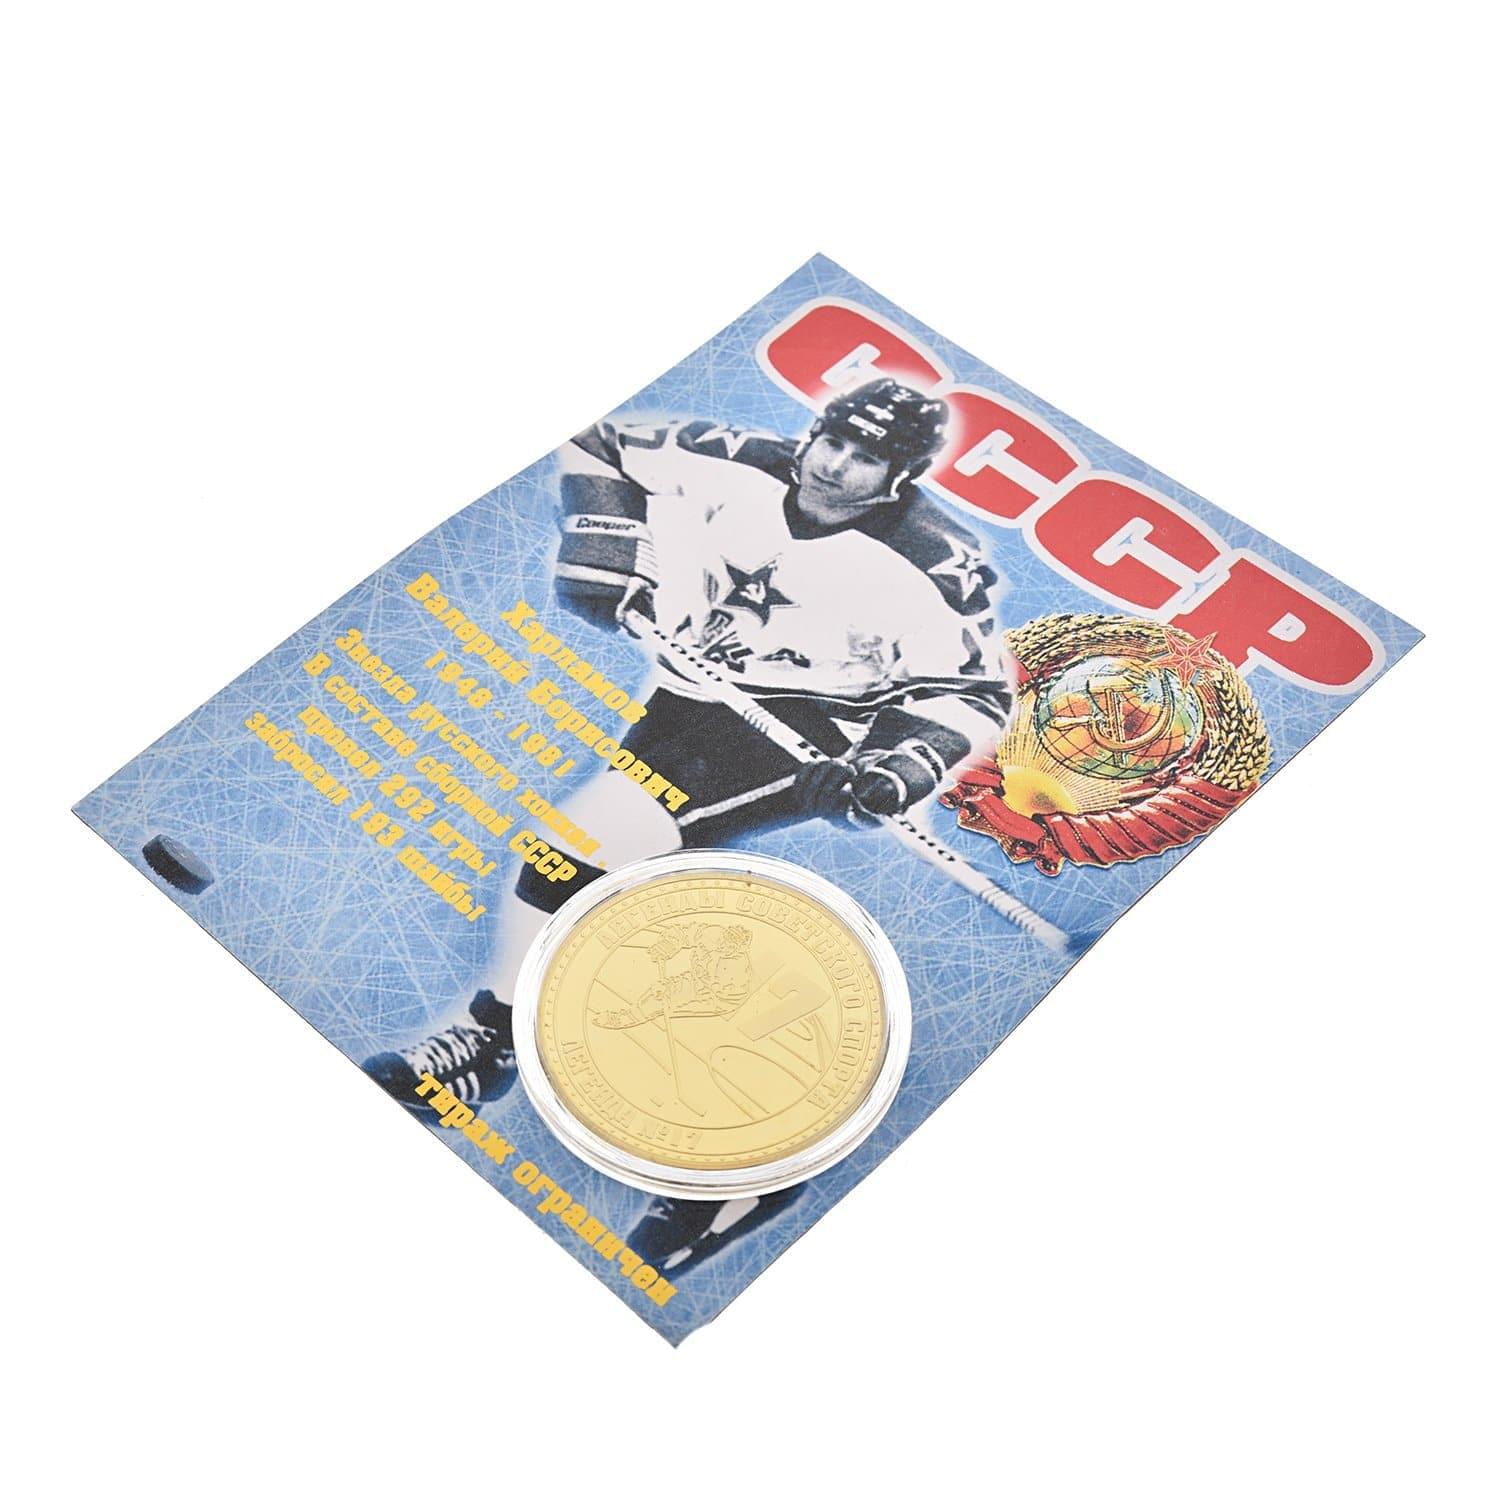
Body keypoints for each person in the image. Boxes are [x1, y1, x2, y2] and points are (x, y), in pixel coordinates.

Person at [363, 378, 1013, 1269]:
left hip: (806, 733)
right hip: (691, 695)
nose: (834, 466)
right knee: (627, 897)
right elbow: (597, 440)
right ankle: (748, 1169)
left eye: (866, 458)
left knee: (579, 856)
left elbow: (972, 692)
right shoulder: (733, 458)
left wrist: (893, 770)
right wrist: (605, 535)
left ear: (899, 477)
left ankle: (495, 1040)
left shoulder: (935, 563)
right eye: (832, 439)